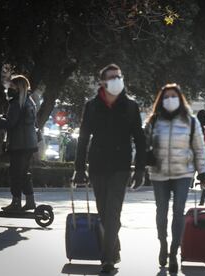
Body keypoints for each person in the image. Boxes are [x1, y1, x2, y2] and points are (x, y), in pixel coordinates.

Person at [73, 64, 146, 273]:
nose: (116, 80)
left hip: (120, 167)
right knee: (104, 212)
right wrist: (79, 168)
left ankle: (107, 260)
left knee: (113, 211)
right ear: (102, 83)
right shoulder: (92, 106)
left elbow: (140, 139)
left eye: (119, 76)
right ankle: (113, 248)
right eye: (111, 77)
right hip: (97, 166)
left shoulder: (131, 106)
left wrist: (140, 169)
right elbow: (83, 137)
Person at [145, 83, 205, 273]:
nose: (170, 99)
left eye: (173, 96)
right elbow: (143, 146)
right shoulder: (153, 121)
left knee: (178, 210)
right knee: (161, 211)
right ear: (161, 100)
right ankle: (163, 243)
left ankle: (174, 251)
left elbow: (199, 149)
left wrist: (203, 172)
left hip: (183, 173)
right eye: (166, 96)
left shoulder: (190, 121)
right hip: (159, 173)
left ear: (180, 99)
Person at [0, 75, 38, 212]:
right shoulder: (29, 101)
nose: (9, 89)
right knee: (24, 173)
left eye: (12, 87)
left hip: (19, 144)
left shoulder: (16, 103)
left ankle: (16, 203)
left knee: (15, 173)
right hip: (29, 144)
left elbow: (11, 123)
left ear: (19, 88)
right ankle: (30, 201)